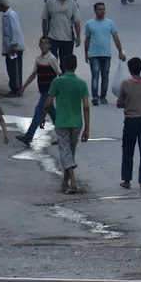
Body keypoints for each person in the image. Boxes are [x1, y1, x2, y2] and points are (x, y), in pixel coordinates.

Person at [44, 54, 90, 194]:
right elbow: (86, 107)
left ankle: (73, 181)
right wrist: (87, 128)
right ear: (75, 66)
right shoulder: (82, 83)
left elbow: (48, 102)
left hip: (62, 122)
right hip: (77, 123)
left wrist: (41, 118)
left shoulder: (57, 82)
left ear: (63, 66)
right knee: (69, 152)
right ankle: (65, 181)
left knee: (65, 152)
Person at [114, 58, 141, 190]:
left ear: (130, 69)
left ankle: (126, 180)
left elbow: (119, 103)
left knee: (127, 150)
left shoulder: (126, 84)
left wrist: (126, 103)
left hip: (131, 120)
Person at [19, 37, 61, 146]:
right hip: (43, 91)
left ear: (49, 46)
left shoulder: (51, 59)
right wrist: (24, 87)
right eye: (41, 43)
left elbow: (59, 74)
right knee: (53, 114)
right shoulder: (39, 59)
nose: (43, 45)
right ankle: (63, 137)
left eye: (46, 43)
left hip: (48, 91)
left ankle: (28, 137)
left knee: (38, 112)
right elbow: (33, 74)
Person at [83, 2, 125, 105]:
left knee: (105, 77)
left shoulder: (110, 23)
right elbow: (87, 39)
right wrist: (86, 53)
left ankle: (103, 96)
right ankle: (95, 97)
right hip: (94, 54)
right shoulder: (90, 24)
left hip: (106, 54)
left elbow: (116, 38)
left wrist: (120, 51)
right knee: (95, 76)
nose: (102, 11)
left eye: (103, 9)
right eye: (99, 9)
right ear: (95, 11)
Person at [42, 0, 81, 64]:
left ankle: (62, 76)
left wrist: (78, 36)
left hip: (68, 38)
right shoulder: (50, 2)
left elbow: (76, 21)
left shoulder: (72, 3)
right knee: (52, 61)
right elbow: (44, 19)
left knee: (65, 62)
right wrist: (44, 35)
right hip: (52, 37)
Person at [0, 0, 25, 97]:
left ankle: (17, 89)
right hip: (9, 48)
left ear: (2, 5)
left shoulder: (11, 15)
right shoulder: (6, 15)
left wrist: (14, 44)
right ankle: (13, 88)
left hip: (15, 48)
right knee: (10, 69)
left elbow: (15, 30)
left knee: (15, 69)